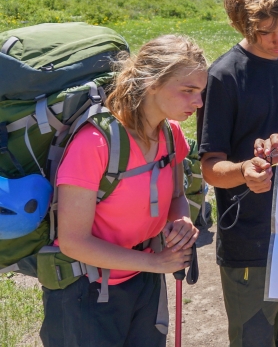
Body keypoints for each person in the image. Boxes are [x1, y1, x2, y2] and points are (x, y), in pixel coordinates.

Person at [41, 35, 206, 346]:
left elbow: (176, 198)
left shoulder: (171, 136)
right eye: (188, 91)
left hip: (143, 278)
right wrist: (156, 263)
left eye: (201, 92)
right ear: (153, 84)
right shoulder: (96, 143)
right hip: (85, 288)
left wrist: (181, 221)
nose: (198, 103)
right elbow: (73, 242)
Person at [198, 0, 278, 347]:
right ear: (243, 26)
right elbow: (211, 169)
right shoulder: (225, 76)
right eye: (267, 32)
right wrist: (246, 170)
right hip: (249, 244)